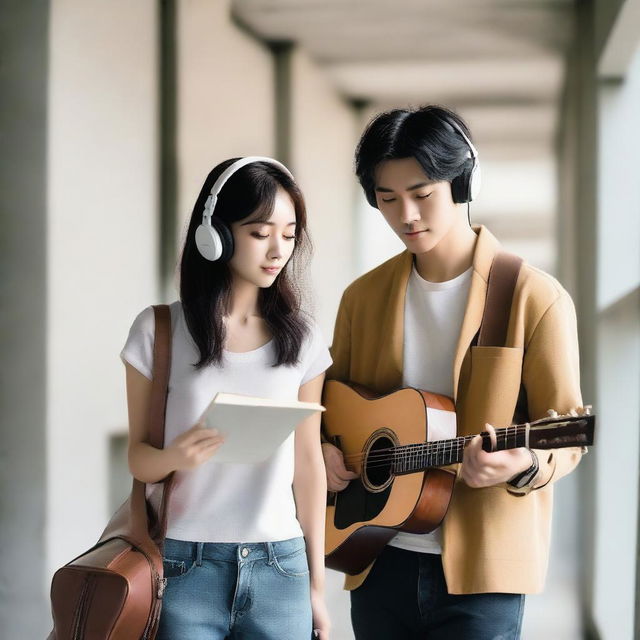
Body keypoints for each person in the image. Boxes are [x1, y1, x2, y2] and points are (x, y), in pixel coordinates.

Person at [322, 106, 586, 639]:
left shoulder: (533, 296)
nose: (406, 216)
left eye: (422, 194)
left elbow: (570, 427)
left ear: (463, 181)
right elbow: (333, 403)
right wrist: (323, 449)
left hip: (484, 569)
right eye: (388, 199)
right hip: (376, 553)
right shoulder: (362, 299)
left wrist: (526, 460)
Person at [121, 156, 331, 640]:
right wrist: (175, 456)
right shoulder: (159, 331)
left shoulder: (303, 339)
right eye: (260, 233)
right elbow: (137, 458)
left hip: (281, 564)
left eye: (290, 233)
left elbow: (308, 463)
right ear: (214, 234)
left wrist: (316, 587)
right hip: (182, 565)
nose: (278, 249)